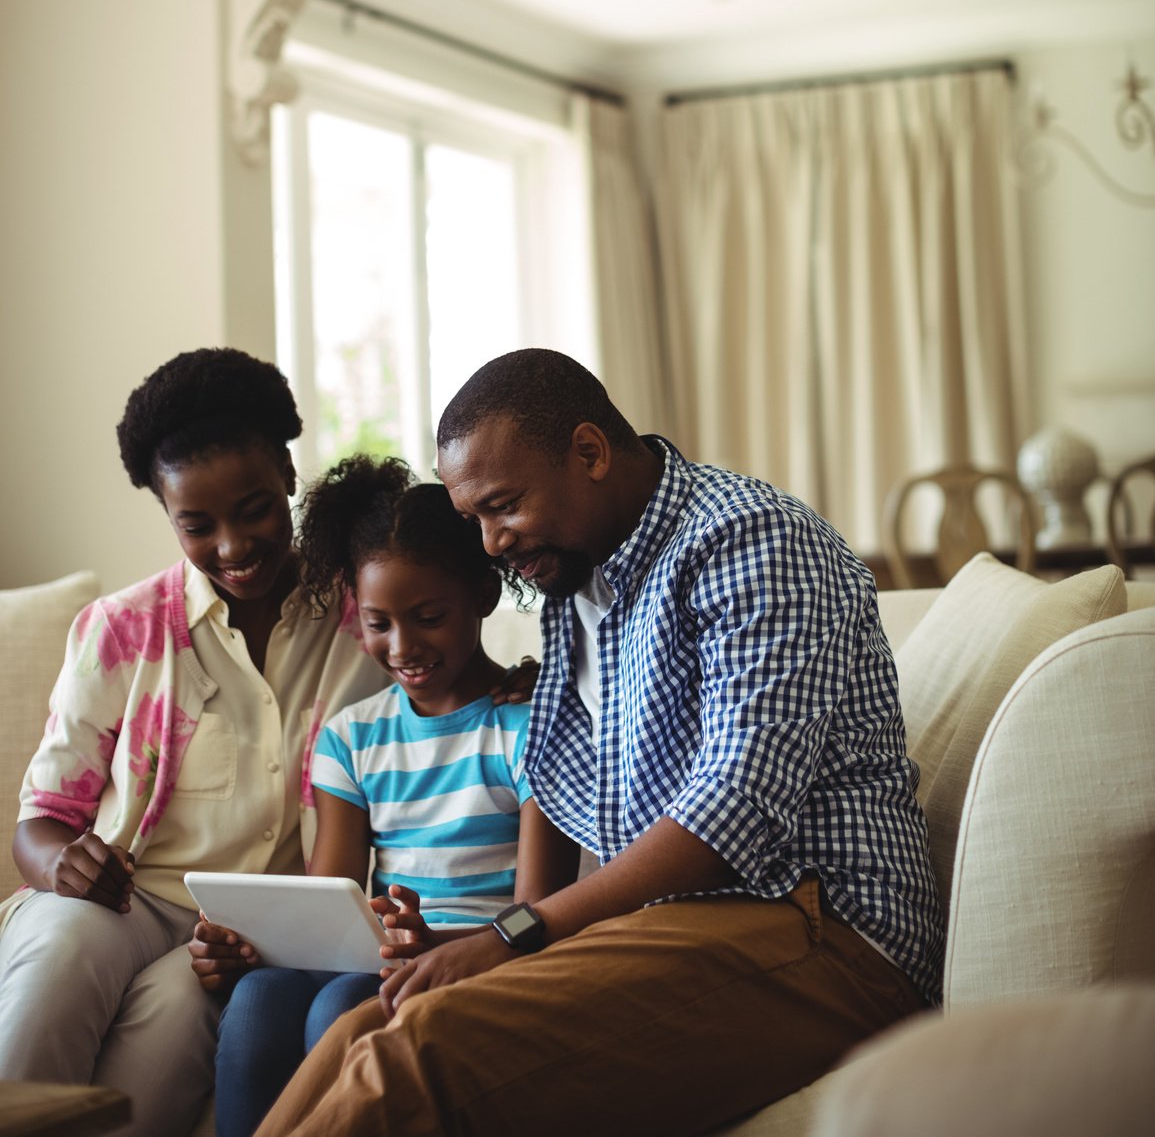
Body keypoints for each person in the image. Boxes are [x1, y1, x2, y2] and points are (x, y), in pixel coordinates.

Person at [254, 348, 945, 1137]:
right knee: (360, 1032)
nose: (488, 543)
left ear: (588, 452)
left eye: (501, 506)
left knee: (416, 1052)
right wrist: (475, 939)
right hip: (682, 926)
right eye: (474, 517)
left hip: (826, 932)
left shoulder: (746, 539)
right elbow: (568, 800)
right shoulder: (579, 582)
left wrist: (514, 935)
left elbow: (733, 813)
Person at [0, 348, 528, 1137]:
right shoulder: (120, 631)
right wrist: (58, 859)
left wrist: (519, 681)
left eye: (252, 509)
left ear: (287, 473)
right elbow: (41, 818)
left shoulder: (364, 616)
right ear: (166, 514)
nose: (233, 546)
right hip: (120, 900)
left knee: (170, 1047)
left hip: (250, 934)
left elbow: (439, 624)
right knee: (61, 960)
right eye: (196, 525)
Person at [209, 453, 575, 1137]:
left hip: (487, 952)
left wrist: (440, 942)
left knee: (339, 1009)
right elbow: (328, 908)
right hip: (388, 955)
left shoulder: (529, 728)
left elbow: (540, 915)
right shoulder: (351, 739)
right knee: (259, 998)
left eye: (429, 616)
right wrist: (246, 946)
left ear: (482, 596)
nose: (403, 645)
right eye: (378, 623)